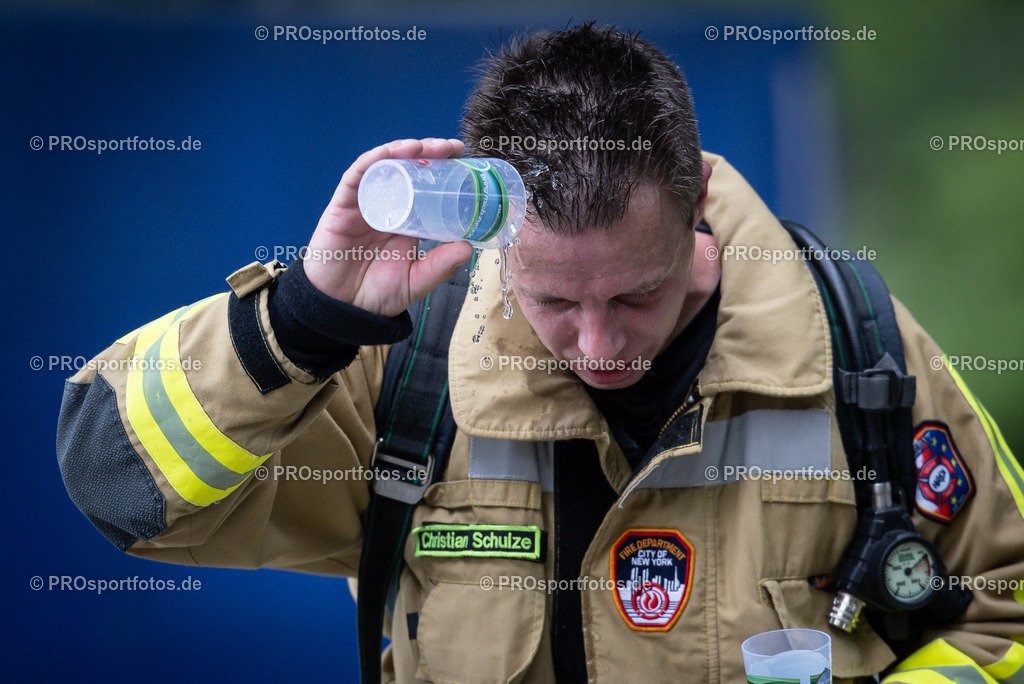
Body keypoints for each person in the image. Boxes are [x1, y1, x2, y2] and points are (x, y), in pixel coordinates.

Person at [56, 23, 1024, 683]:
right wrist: (301, 322)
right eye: (554, 299)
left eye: (635, 295)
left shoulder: (854, 348)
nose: (598, 345)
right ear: (494, 242)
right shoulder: (403, 380)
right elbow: (110, 477)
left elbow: (1005, 610)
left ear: (695, 212)